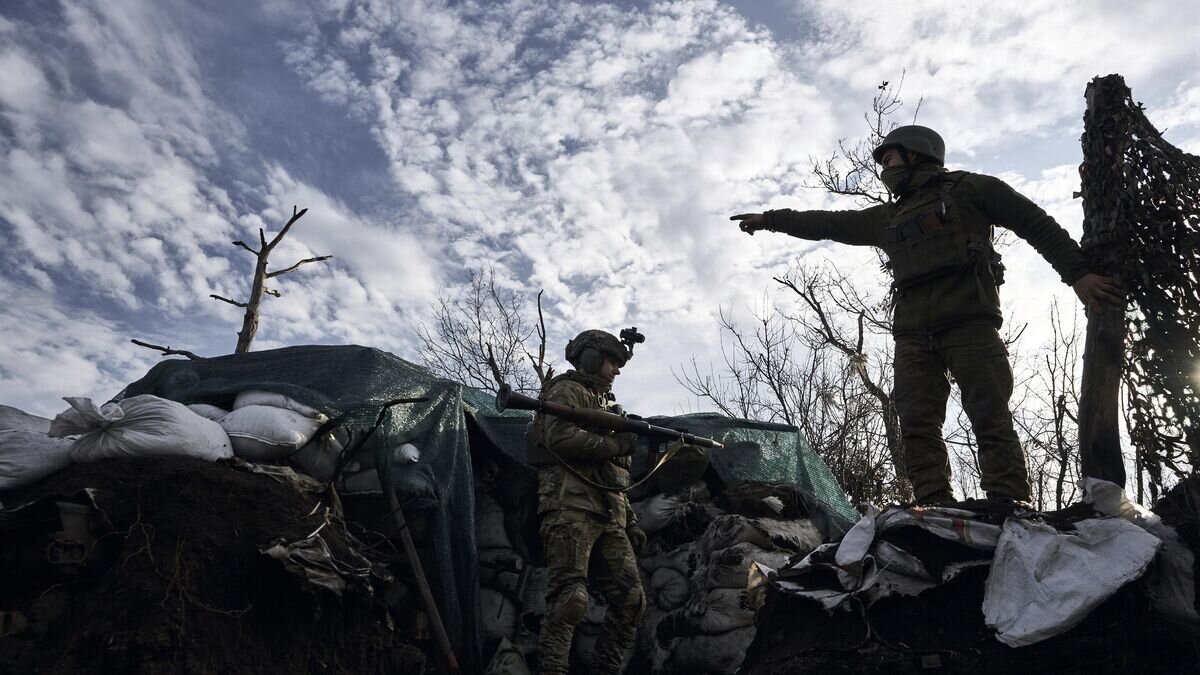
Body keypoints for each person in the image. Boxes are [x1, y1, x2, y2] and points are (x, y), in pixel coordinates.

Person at [732, 125, 1124, 506]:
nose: (885, 169)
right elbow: (825, 223)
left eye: (889, 158)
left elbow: (1036, 224)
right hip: (913, 336)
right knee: (916, 423)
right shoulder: (887, 218)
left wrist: (1078, 274)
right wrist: (770, 220)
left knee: (990, 416)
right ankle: (933, 505)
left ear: (916, 153)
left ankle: (1009, 502)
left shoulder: (971, 189)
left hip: (970, 325)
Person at [529, 329, 647, 674]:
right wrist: (615, 445)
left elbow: (614, 475)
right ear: (591, 358)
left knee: (632, 600)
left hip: (610, 515)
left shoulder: (608, 406)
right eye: (612, 361)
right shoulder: (567, 391)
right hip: (570, 507)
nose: (617, 370)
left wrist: (632, 520)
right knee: (570, 601)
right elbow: (559, 436)